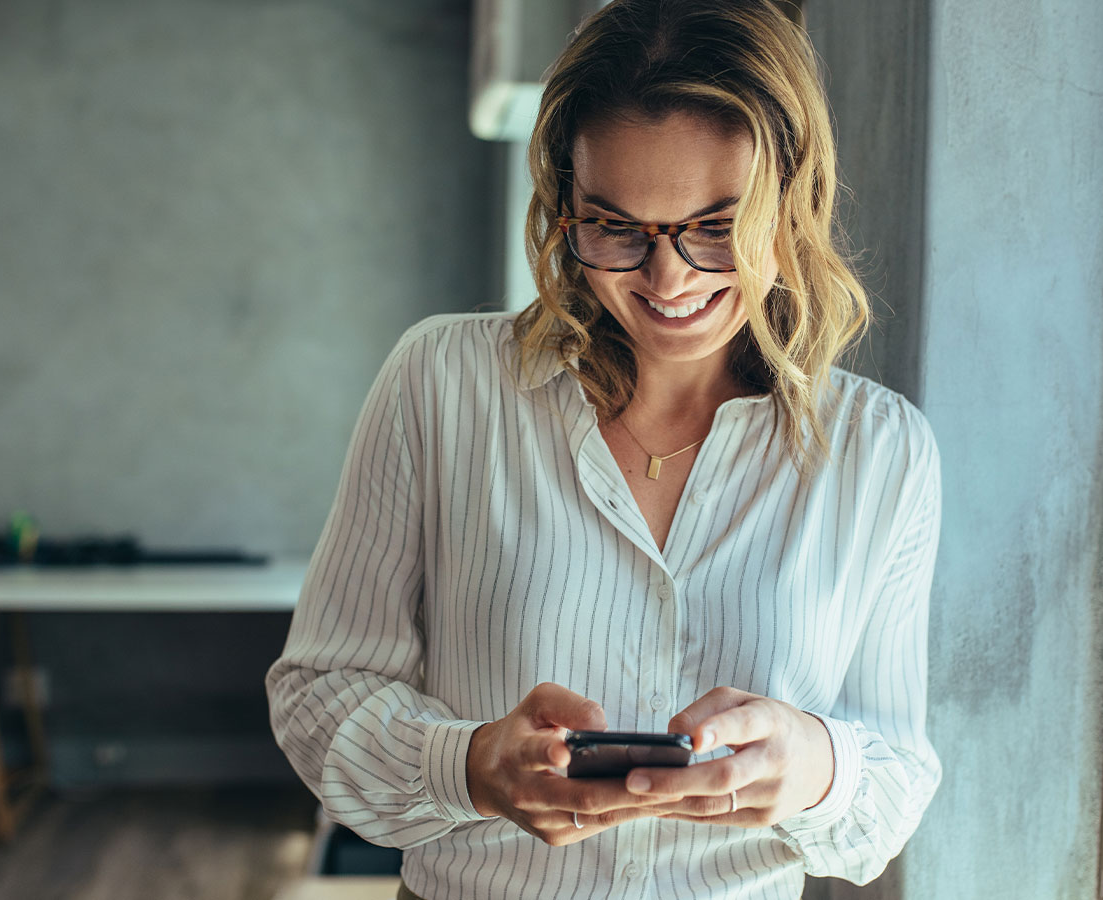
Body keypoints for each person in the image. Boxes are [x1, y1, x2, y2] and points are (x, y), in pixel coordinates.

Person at [266, 1, 942, 897]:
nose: (668, 282)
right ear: (563, 209)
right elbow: (321, 693)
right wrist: (466, 765)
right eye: (616, 227)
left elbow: (890, 794)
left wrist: (816, 766)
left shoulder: (881, 452)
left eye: (716, 226)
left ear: (792, 208)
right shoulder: (442, 383)